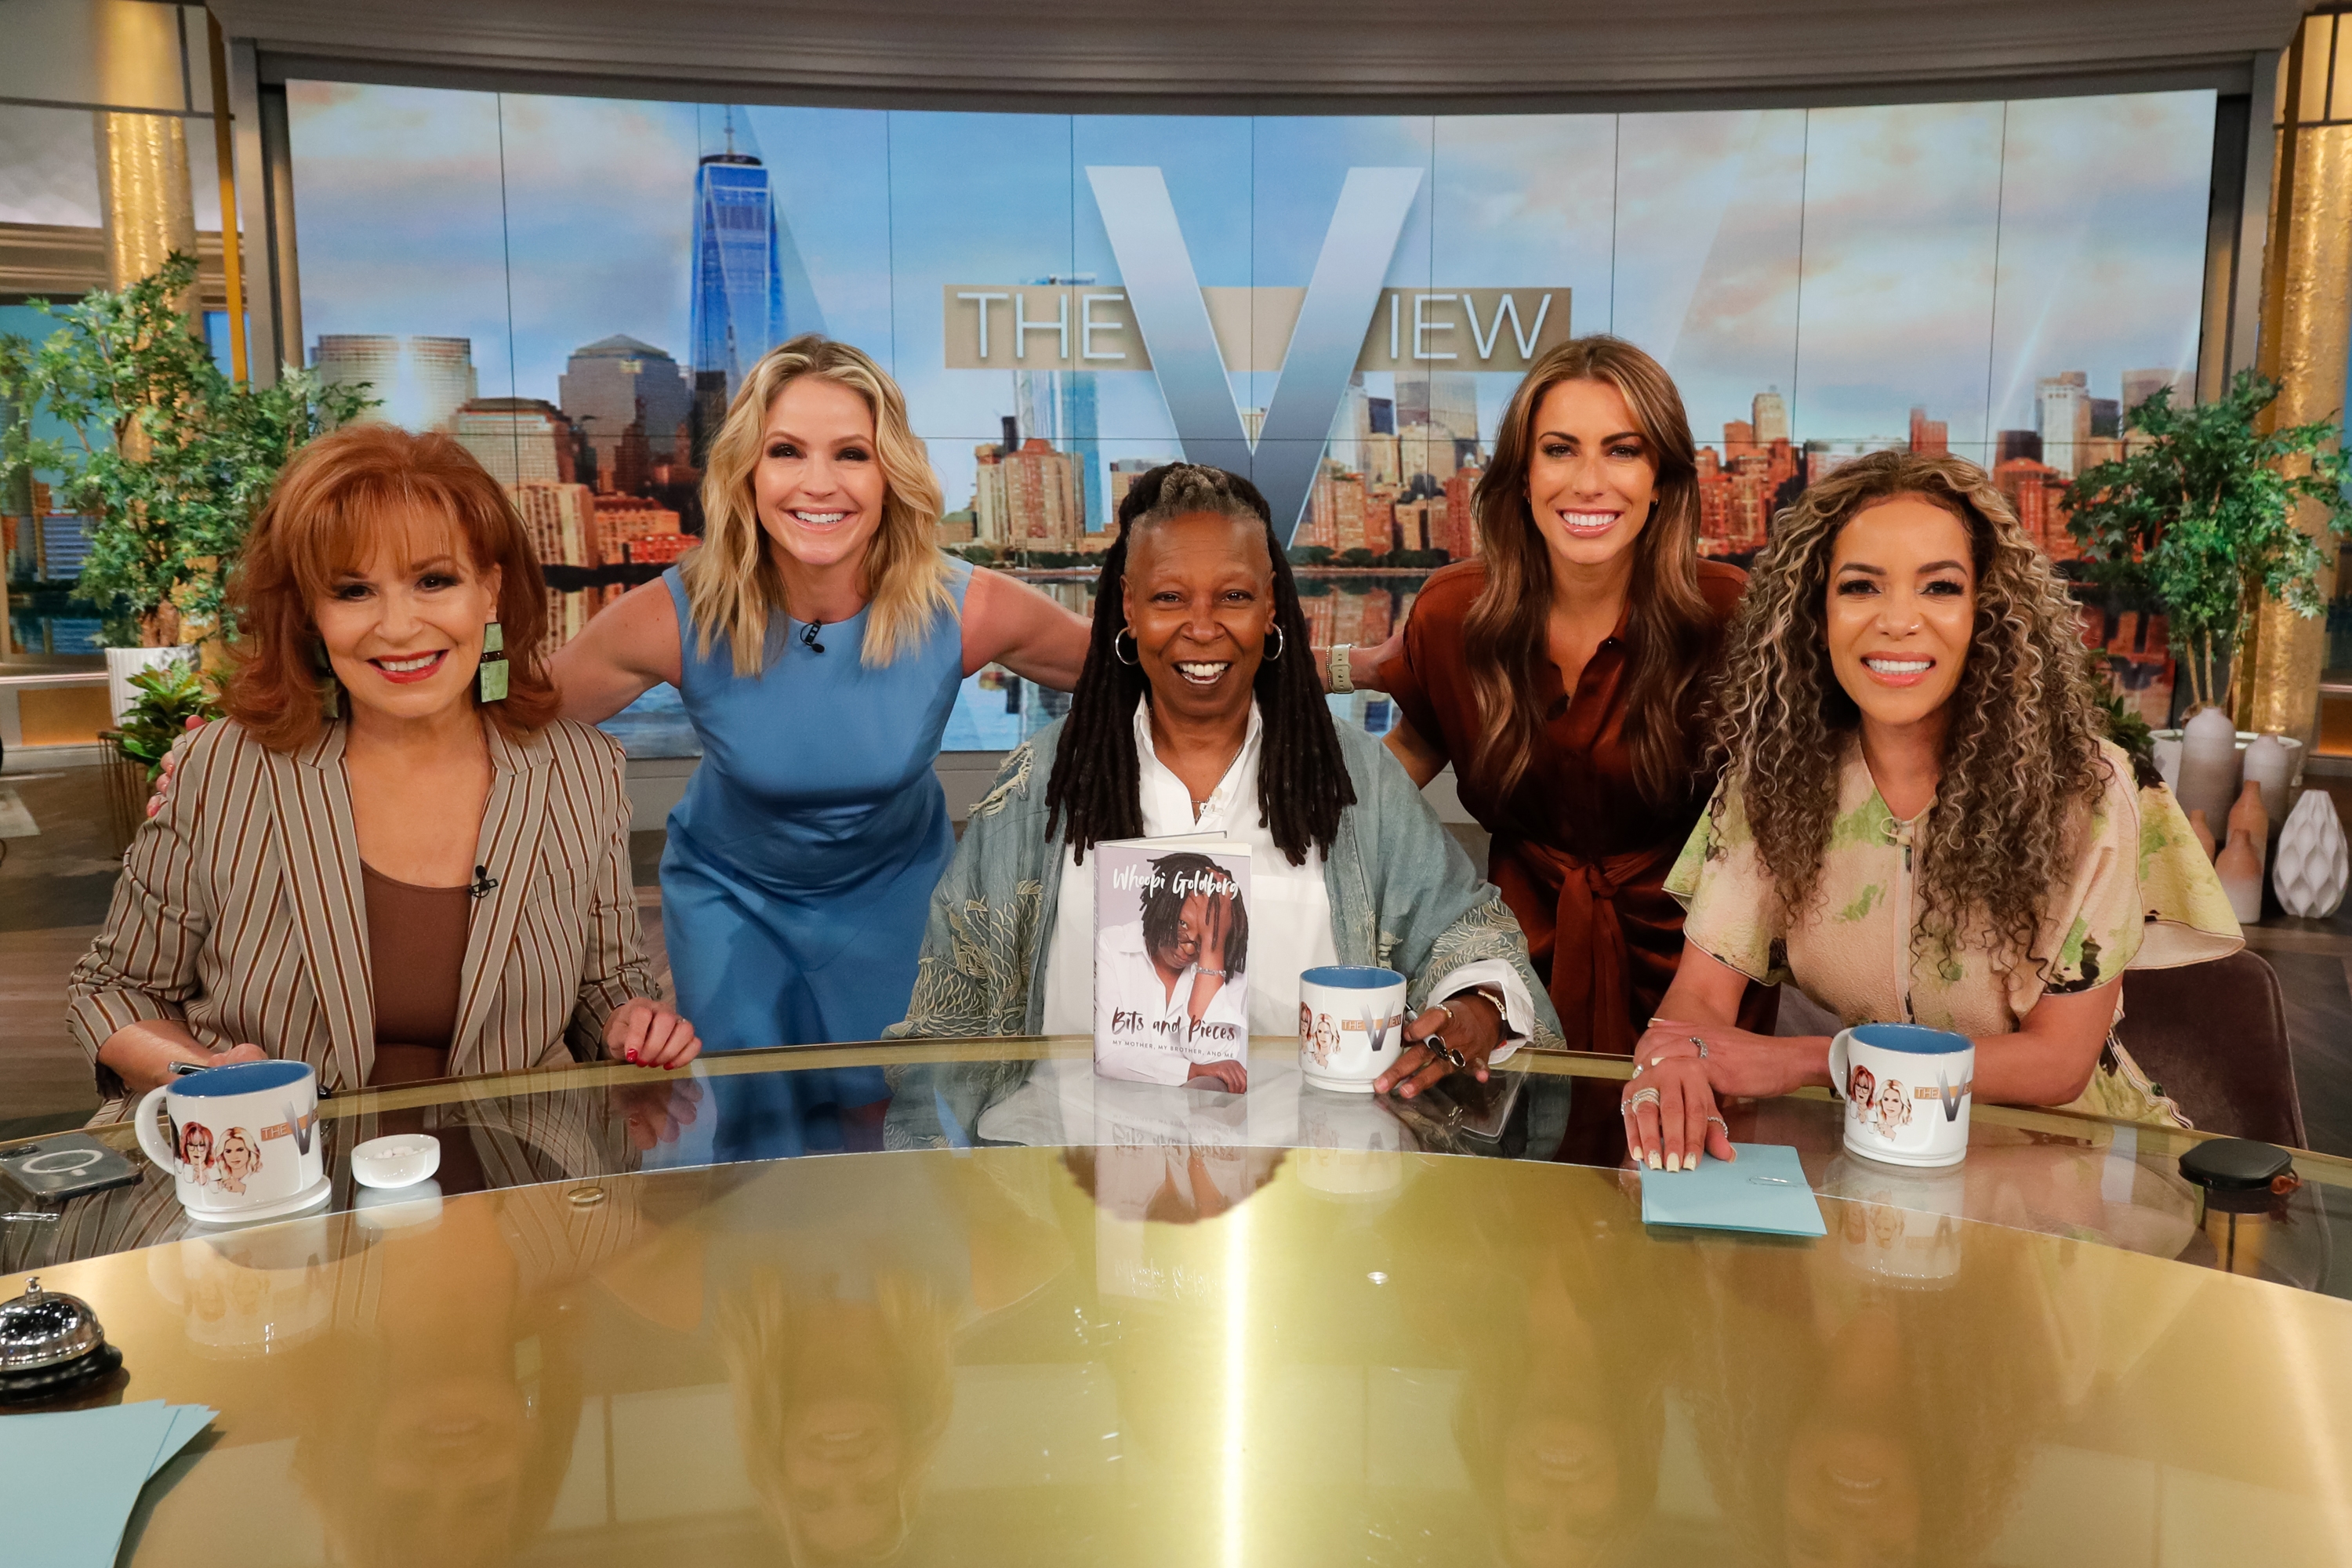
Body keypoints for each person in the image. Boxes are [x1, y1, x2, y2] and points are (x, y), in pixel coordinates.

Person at [1621, 450, 2241, 1170]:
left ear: (1988, 613)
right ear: (1814, 615)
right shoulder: (1774, 784)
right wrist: (1678, 1059)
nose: (1897, 621)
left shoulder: (2089, 791)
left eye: (1939, 587)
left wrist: (1811, 1060)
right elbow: (1699, 992)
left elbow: (2056, 1064)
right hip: (1870, 1147)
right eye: (1860, 587)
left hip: (2072, 1165)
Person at [68, 423, 700, 1114]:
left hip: (518, 1184)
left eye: (434, 580)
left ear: (488, 590)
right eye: (353, 591)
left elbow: (607, 983)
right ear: (312, 612)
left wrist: (630, 1020)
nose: (397, 627)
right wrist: (208, 1079)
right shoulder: (220, 768)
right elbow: (115, 988)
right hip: (283, 1183)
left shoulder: (582, 770)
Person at [890, 462, 1559, 1094]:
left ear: (1271, 606)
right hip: (1072, 1177)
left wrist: (1476, 1002)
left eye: (1234, 596)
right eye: (1169, 597)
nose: (1202, 627)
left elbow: (1468, 931)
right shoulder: (1041, 786)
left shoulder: (1353, 780)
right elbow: (951, 1014)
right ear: (1127, 605)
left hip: (1304, 1182)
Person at [549, 336, 1093, 1060]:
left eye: (851, 454)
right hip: (730, 903)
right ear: (747, 469)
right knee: (749, 1138)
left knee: (895, 1129)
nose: (818, 483)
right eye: (786, 451)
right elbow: (517, 716)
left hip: (898, 900)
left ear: (888, 473)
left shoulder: (964, 607)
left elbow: (1136, 667)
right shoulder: (676, 614)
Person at [1374, 335, 1773, 1065]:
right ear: (1522, 477)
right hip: (1504, 976)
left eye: (1622, 450)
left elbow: (1779, 822)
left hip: (1704, 969)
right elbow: (1395, 773)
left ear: (1662, 480)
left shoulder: (1731, 617)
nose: (1590, 482)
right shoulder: (1451, 615)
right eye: (1560, 450)